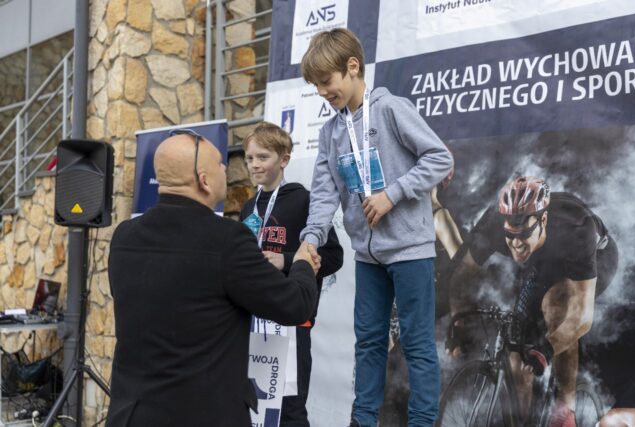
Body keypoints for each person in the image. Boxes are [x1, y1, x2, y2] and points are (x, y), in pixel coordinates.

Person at [106, 130, 321, 427]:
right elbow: (294, 305)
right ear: (204, 179)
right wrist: (301, 264)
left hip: (133, 416)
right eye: (221, 163)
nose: (227, 169)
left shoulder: (123, 237)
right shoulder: (226, 240)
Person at [299, 28, 454, 427]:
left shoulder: (389, 109)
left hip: (410, 250)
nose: (321, 92)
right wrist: (310, 240)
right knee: (368, 343)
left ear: (352, 67)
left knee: (417, 345)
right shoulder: (331, 131)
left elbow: (439, 157)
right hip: (368, 256)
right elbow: (323, 194)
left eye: (325, 82)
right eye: (315, 85)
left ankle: (421, 422)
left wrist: (393, 194)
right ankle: (362, 420)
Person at [447, 176, 619, 427]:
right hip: (543, 262)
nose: (516, 243)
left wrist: (547, 350)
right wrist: (457, 326)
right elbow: (461, 278)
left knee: (558, 307)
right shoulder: (493, 223)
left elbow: (583, 316)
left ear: (543, 220)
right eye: (510, 235)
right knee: (515, 346)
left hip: (598, 258)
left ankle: (565, 411)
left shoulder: (576, 227)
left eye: (524, 233)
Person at [239, 122, 344, 427]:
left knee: (290, 411)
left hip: (291, 324)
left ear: (284, 159)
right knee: (254, 406)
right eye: (249, 158)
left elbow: (334, 256)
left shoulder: (304, 201)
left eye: (263, 157)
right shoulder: (248, 207)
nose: (255, 165)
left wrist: (286, 260)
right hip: (253, 322)